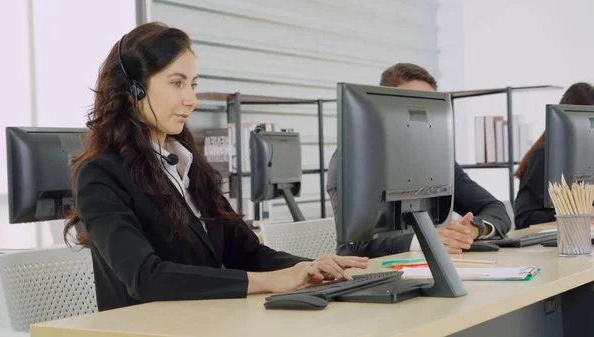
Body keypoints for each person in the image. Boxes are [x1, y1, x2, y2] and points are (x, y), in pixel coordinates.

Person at [63, 22, 368, 312]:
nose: (191, 99)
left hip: (206, 322)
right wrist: (266, 282)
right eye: (177, 83)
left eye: (193, 84)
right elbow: (146, 277)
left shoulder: (188, 165)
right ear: (134, 90)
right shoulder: (99, 175)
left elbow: (246, 252)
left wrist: (311, 267)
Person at [327, 63, 512, 258]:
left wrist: (471, 230)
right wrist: (428, 240)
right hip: (367, 272)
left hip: (428, 265)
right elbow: (356, 242)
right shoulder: (351, 160)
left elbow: (495, 209)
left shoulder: (438, 159)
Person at [514, 82, 594, 229]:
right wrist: (578, 212)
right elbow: (524, 219)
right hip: (548, 245)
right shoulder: (543, 156)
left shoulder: (587, 158)